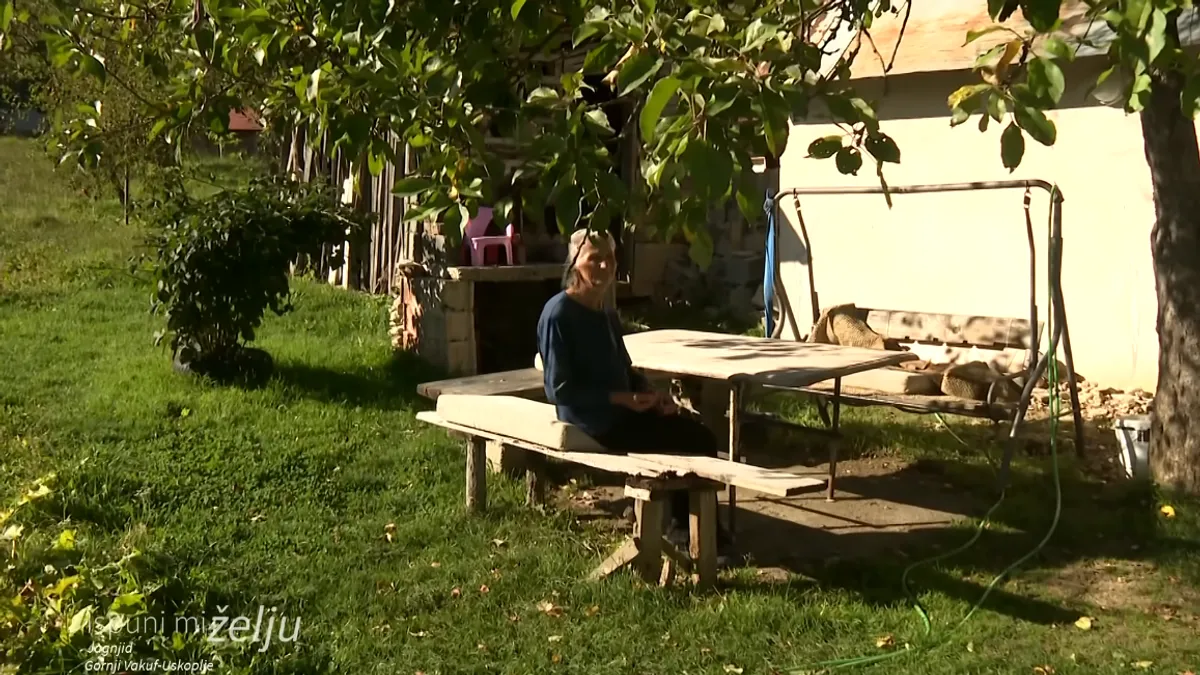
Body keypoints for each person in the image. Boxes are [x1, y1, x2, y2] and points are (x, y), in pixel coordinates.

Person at [536, 227, 732, 555]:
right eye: (593, 259)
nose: (603, 267)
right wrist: (620, 399)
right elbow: (560, 390)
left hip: (621, 412)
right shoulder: (560, 314)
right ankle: (685, 533)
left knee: (696, 434)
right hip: (593, 420)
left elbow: (626, 370)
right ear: (573, 264)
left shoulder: (605, 312)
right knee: (694, 441)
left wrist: (654, 397)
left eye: (609, 259)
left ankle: (698, 528)